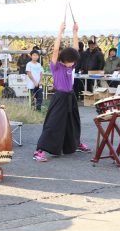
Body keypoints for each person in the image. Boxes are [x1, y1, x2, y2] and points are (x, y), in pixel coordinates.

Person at [33, 22, 91, 163]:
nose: (72, 64)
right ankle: (39, 151)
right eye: (70, 62)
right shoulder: (56, 66)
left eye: (73, 62)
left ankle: (75, 144)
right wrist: (60, 31)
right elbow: (55, 49)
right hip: (59, 97)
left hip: (70, 96)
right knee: (53, 123)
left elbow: (76, 50)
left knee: (73, 122)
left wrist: (75, 32)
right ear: (64, 60)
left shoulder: (71, 65)